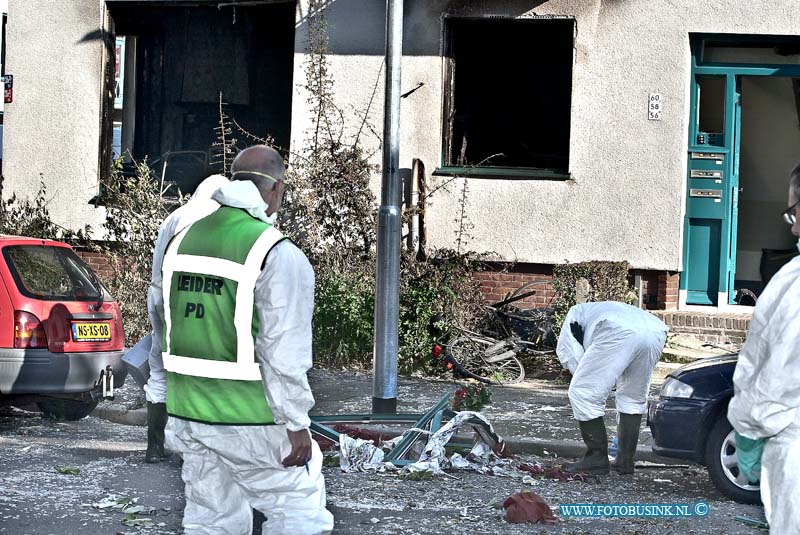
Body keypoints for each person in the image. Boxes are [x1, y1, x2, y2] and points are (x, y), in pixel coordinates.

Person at [159, 145, 334, 534]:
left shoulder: (182, 240)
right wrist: (295, 422)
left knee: (212, 520)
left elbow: (163, 325)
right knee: (298, 509)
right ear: (274, 189)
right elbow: (283, 350)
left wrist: (160, 394)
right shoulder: (276, 253)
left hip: (190, 412)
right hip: (252, 417)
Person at [728, 163, 800, 534]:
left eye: (794, 210)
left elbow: (779, 374)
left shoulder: (795, 284)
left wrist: (749, 428)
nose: (792, 225)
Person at [143, 173, 230, 463]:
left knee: (160, 368)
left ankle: (155, 448)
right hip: (189, 301)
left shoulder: (175, 216)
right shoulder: (213, 220)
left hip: (157, 296)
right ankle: (187, 449)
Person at [556, 301, 668, 474]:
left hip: (617, 329)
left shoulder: (573, 316)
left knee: (583, 392)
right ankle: (625, 461)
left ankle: (596, 458)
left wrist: (579, 375)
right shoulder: (592, 311)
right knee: (633, 397)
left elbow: (570, 353)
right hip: (655, 330)